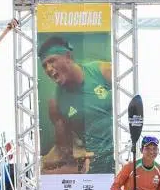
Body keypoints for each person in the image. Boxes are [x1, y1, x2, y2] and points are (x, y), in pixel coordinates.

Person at [38, 35, 114, 174]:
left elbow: (133, 106)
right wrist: (42, 163)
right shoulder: (56, 104)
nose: (48, 69)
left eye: (51, 61)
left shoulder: (104, 71)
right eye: (44, 65)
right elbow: (63, 149)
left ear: (68, 56)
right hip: (94, 166)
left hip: (120, 158)